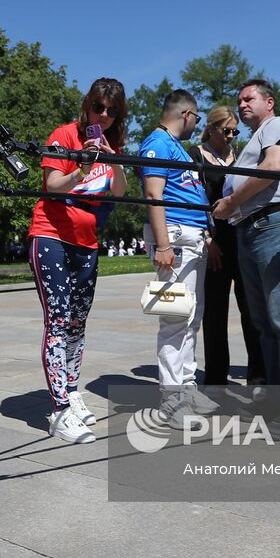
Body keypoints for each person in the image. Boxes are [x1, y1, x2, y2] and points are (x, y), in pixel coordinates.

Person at [29, 77, 128, 443]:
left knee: (77, 323)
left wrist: (112, 159)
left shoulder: (112, 145)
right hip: (51, 235)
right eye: (98, 107)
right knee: (57, 322)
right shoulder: (65, 135)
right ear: (87, 105)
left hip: (87, 242)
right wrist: (83, 166)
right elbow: (52, 185)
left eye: (111, 111)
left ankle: (71, 392)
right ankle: (58, 410)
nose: (103, 115)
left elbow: (119, 192)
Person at [212, 79, 280, 429]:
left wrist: (231, 202)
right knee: (264, 323)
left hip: (272, 223)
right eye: (239, 99)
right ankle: (275, 400)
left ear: (269, 102)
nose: (242, 104)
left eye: (249, 98)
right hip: (250, 228)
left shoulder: (278, 125)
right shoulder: (254, 137)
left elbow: (272, 169)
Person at [140, 89, 218, 427]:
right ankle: (172, 399)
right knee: (174, 320)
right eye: (197, 118)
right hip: (174, 239)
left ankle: (186, 387)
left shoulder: (177, 148)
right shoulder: (156, 143)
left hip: (192, 239)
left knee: (191, 318)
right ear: (186, 114)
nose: (196, 124)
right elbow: (153, 194)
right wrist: (162, 245)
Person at [190, 106, 265, 387]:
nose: (232, 136)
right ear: (211, 128)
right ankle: (216, 378)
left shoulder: (241, 155)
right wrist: (207, 240)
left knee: (252, 307)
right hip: (213, 241)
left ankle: (258, 375)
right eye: (226, 130)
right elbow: (193, 201)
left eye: (236, 131)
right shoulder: (195, 155)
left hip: (243, 239)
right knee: (215, 313)